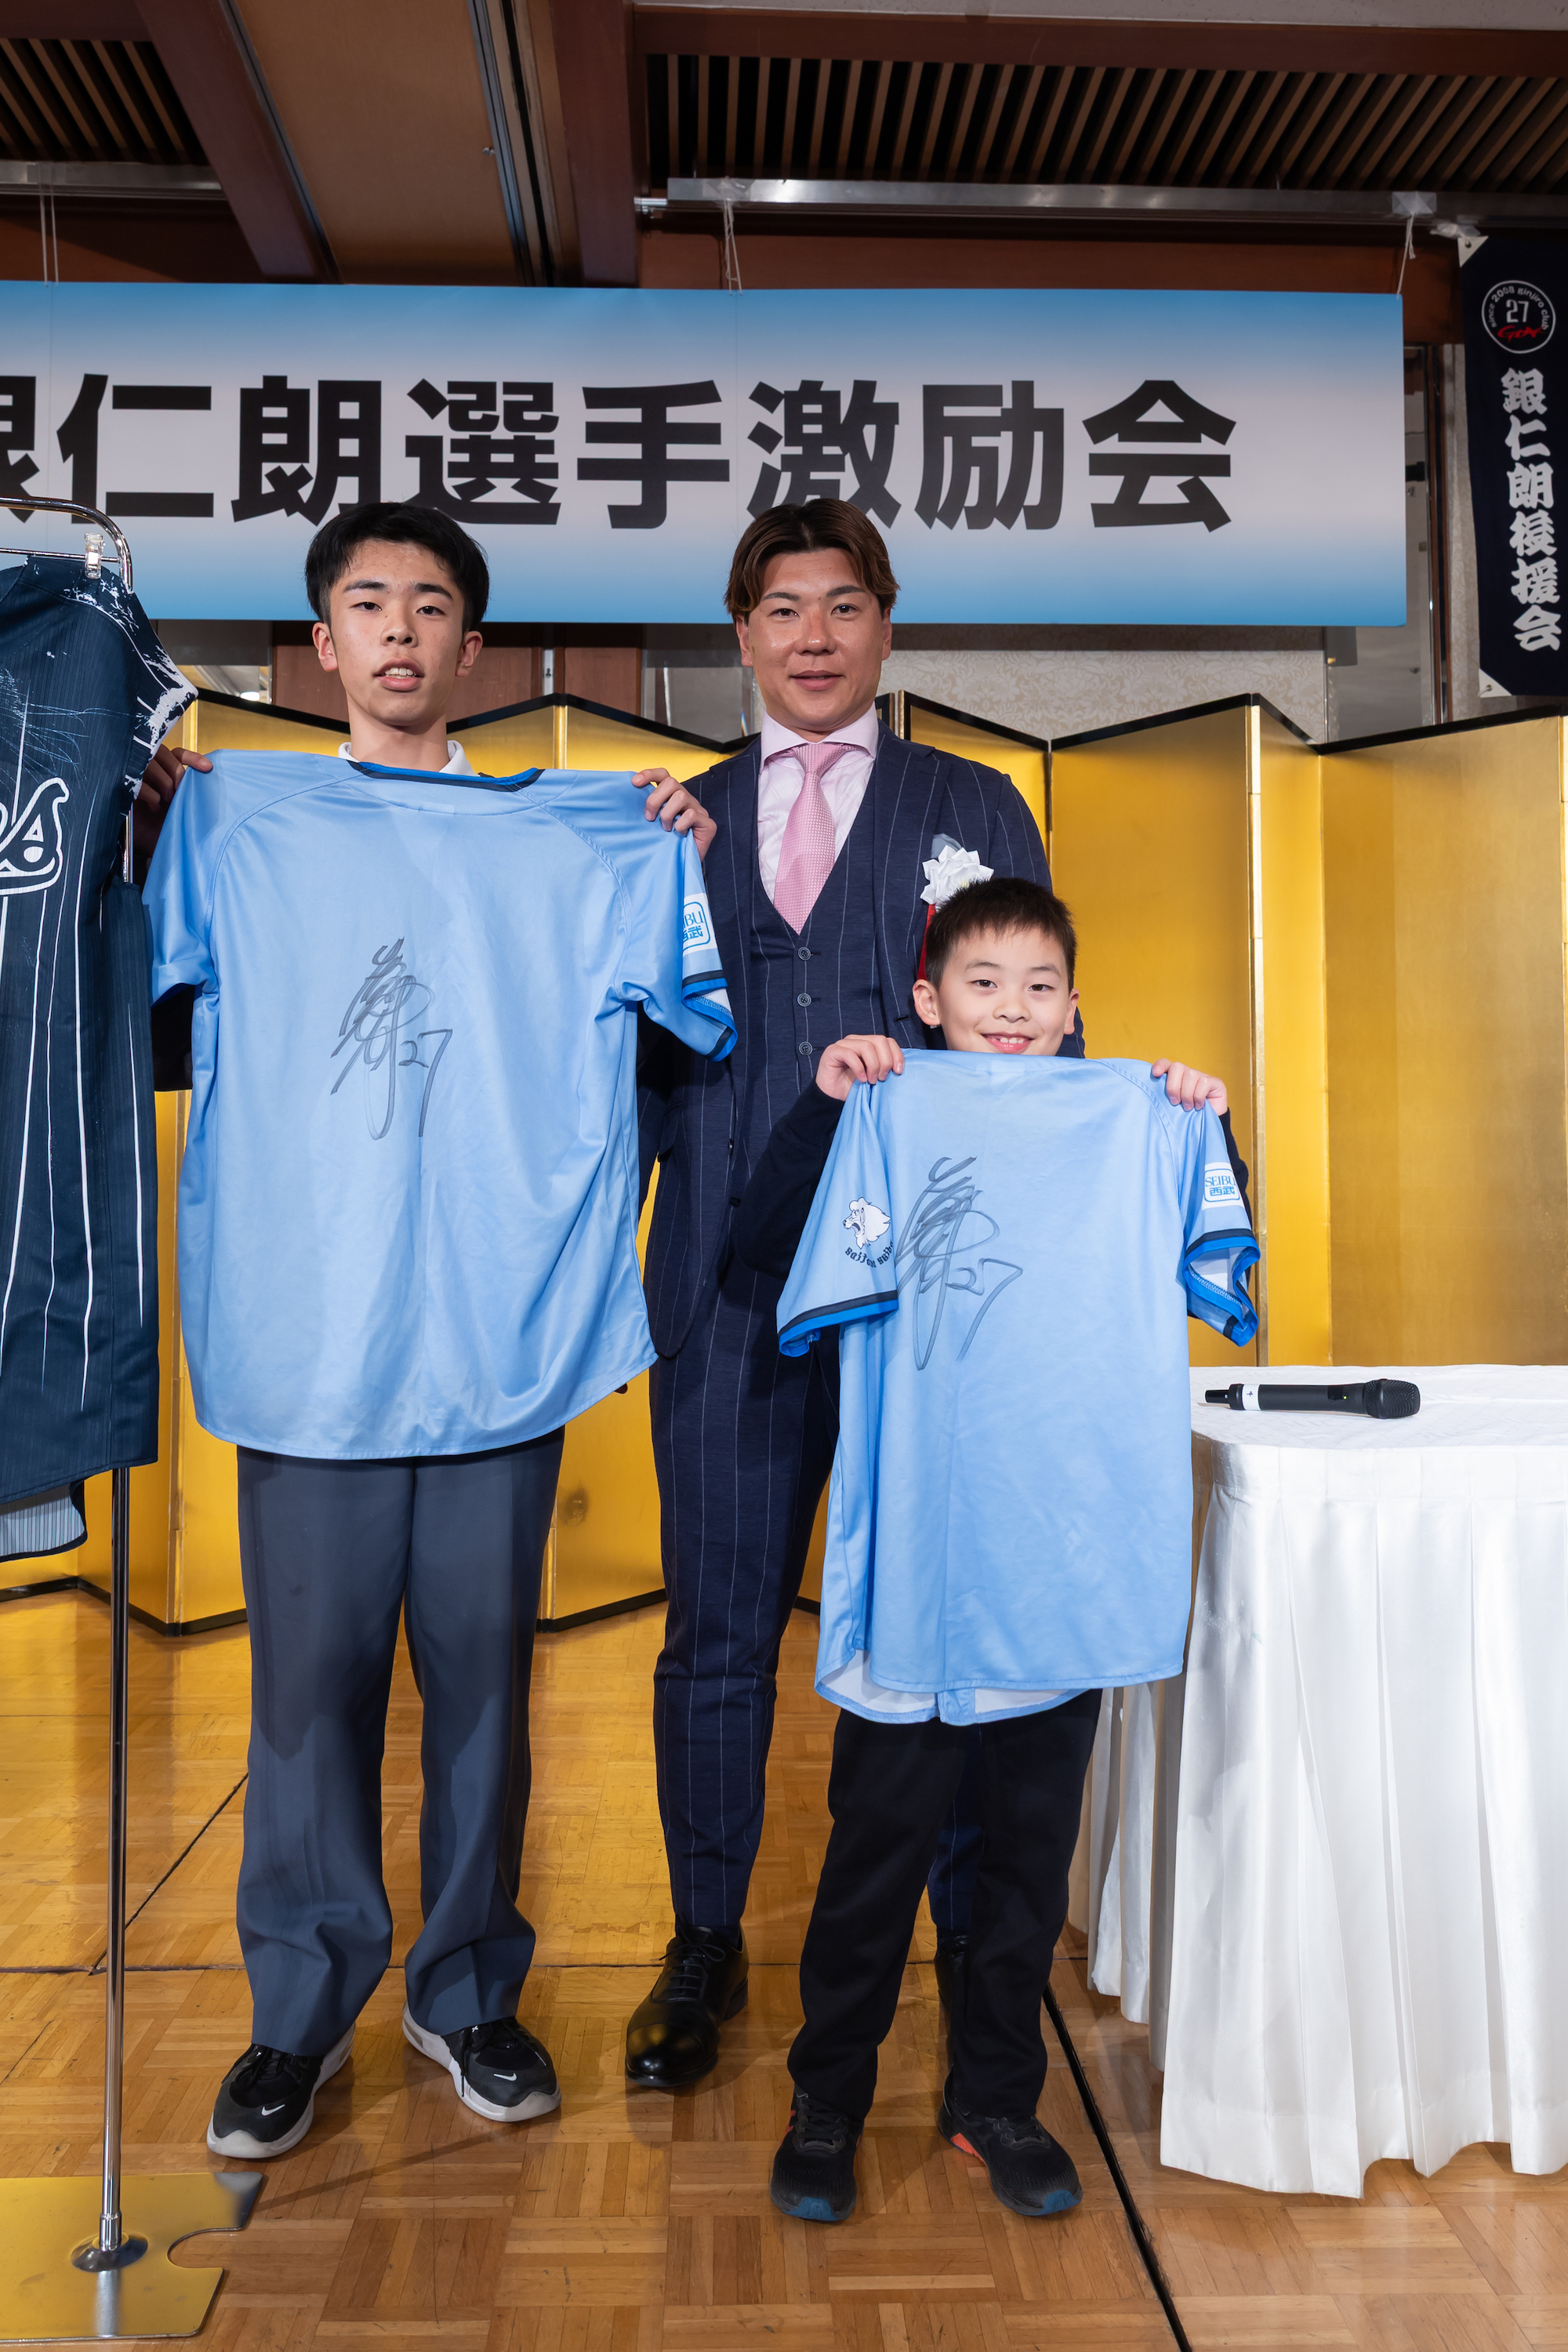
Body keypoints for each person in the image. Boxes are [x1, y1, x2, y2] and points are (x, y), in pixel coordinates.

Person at [140, 504, 719, 2161]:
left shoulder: (584, 840)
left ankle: (466, 1989)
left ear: (475, 649)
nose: (400, 630)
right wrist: (144, 823)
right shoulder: (234, 824)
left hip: (490, 1328)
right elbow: (151, 1025)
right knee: (306, 1693)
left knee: (482, 1690)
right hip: (313, 1330)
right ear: (321, 643)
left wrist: (663, 838)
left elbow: (683, 1022)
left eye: (433, 606)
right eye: (368, 603)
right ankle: (299, 2008)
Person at [624, 500, 1222, 2090]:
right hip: (729, 1281)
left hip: (944, 1305)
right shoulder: (670, 820)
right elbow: (622, 1056)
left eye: (843, 605)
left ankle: (974, 1947)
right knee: (718, 1624)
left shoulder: (975, 801)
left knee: (965, 1609)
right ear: (741, 634)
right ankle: (701, 1936)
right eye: (781, 608)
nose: (812, 636)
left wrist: (1149, 1123)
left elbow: (1035, 1039)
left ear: (886, 624)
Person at [734, 877, 1254, 2225]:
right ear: (928, 999)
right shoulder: (885, 1108)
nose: (1012, 1008)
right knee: (875, 1852)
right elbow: (763, 1249)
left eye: (1039, 986)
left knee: (1027, 1858)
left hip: (1062, 1553)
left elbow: (1213, 1242)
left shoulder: (1136, 1123)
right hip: (923, 1555)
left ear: (1076, 1007)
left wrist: (1204, 1124)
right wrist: (829, 1106)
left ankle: (997, 2097)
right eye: (983, 983)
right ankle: (828, 2099)